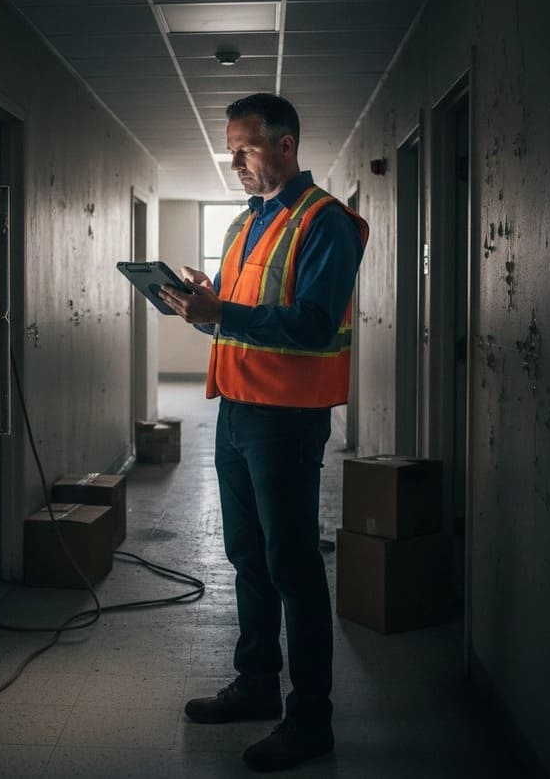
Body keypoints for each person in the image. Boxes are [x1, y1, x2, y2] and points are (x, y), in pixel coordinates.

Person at [158, 93, 368, 772]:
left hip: (288, 416)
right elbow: (235, 310)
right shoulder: (245, 224)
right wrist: (201, 304)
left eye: (246, 148)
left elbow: (311, 322)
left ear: (286, 146)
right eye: (230, 150)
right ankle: (256, 684)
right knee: (246, 555)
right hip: (238, 409)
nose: (235, 162)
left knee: (293, 566)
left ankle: (311, 719)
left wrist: (226, 312)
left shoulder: (326, 222)